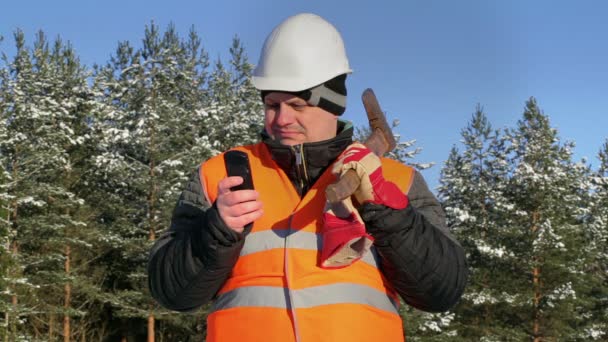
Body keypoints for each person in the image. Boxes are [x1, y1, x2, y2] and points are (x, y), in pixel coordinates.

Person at [148, 12, 467, 342]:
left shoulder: (396, 180)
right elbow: (171, 292)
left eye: (298, 105)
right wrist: (215, 231)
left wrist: (389, 215)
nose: (282, 118)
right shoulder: (221, 175)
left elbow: (441, 291)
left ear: (333, 105)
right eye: (272, 104)